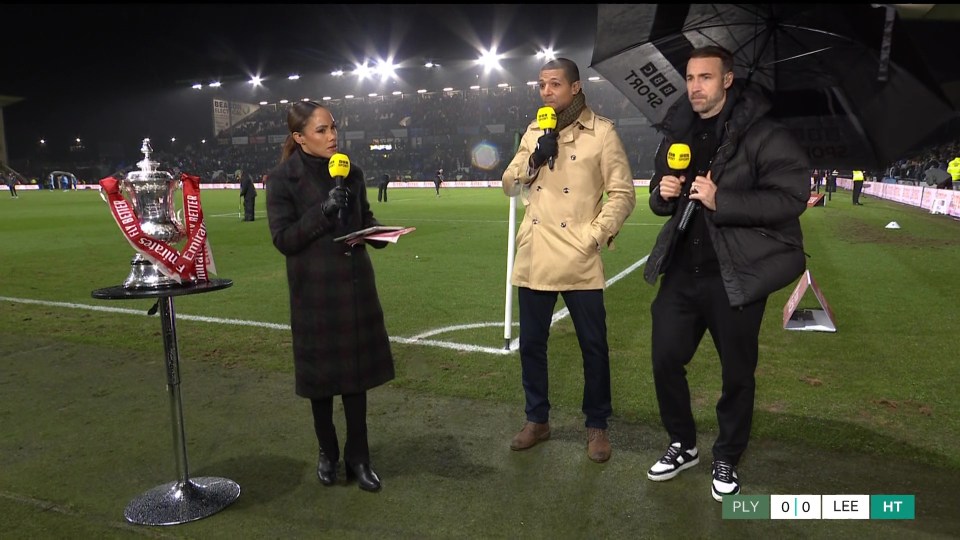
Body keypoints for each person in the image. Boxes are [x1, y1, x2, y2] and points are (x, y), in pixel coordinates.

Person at [642, 45, 809, 501]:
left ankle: (727, 455)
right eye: (691, 78)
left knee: (737, 373)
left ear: (727, 81)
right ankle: (683, 442)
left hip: (734, 273)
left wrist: (723, 200)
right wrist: (663, 193)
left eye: (705, 78)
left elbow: (791, 197)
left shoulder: (765, 134)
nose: (695, 87)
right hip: (682, 268)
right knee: (664, 359)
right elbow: (662, 196)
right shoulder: (676, 130)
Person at [501, 57, 636, 463]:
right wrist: (534, 158)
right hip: (537, 251)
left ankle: (597, 425)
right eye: (542, 85)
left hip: (579, 255)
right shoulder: (533, 131)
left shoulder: (603, 133)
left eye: (554, 84)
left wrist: (593, 236)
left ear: (575, 88)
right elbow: (508, 183)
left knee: (593, 346)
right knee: (532, 346)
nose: (546, 92)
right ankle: (536, 419)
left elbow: (624, 194)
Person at [266, 101, 395, 493]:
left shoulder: (351, 172)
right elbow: (284, 239)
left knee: (356, 379)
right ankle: (328, 452)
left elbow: (364, 217)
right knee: (320, 380)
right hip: (315, 292)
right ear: (299, 137)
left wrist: (378, 233)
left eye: (333, 127)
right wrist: (322, 212)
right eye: (321, 130)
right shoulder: (282, 179)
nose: (332, 136)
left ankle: (360, 457)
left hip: (354, 288)